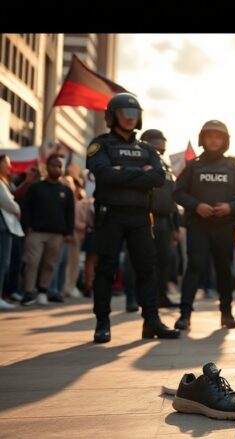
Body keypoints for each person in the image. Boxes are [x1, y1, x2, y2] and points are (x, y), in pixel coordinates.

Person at [85, 92, 180, 343]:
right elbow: (104, 174)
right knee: (106, 268)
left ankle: (151, 322)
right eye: (125, 113)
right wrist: (139, 173)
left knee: (147, 269)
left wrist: (122, 172)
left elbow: (158, 178)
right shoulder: (101, 144)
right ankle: (102, 323)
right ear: (112, 116)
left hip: (139, 216)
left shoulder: (147, 149)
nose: (130, 118)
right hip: (111, 214)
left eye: (134, 114)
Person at [173, 120, 235, 330]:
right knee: (194, 267)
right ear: (203, 139)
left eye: (218, 137)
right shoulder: (193, 166)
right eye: (210, 136)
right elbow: (178, 191)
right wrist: (196, 205)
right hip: (198, 225)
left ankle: (226, 314)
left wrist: (231, 207)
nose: (214, 140)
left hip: (224, 226)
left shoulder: (234, 167)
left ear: (225, 141)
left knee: (224, 270)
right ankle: (184, 315)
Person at [19, 154, 74, 306]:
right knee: (32, 262)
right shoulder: (36, 187)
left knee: (50, 264)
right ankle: (28, 292)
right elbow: (26, 207)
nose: (57, 168)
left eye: (59, 166)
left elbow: (70, 213)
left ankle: (43, 291)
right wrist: (28, 226)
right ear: (47, 167)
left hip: (57, 234)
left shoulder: (66, 191)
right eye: (54, 165)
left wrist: (69, 232)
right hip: (36, 232)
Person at [141, 128, 181, 308]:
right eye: (156, 142)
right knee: (142, 259)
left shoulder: (165, 166)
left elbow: (172, 198)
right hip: (145, 216)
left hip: (165, 219)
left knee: (165, 259)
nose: (160, 146)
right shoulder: (139, 162)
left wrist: (176, 227)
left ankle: (161, 296)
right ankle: (135, 298)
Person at [0, 155, 23, 310]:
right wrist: (17, 209)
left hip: (6, 227)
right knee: (2, 262)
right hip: (2, 227)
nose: (10, 167)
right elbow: (8, 203)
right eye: (6, 164)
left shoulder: (5, 182)